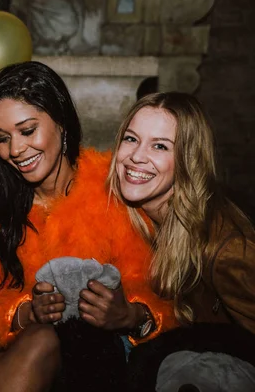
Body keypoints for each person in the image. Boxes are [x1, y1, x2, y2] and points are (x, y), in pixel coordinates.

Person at [0, 61, 177, 392]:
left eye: (28, 130)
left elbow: (161, 304)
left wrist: (128, 316)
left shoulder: (112, 190)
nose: (15, 150)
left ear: (60, 123)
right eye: (2, 138)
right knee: (42, 338)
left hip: (98, 358)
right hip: (7, 353)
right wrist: (27, 312)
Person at [107, 92, 255, 391]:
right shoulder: (121, 214)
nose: (136, 156)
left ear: (188, 160)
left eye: (160, 146)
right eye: (131, 139)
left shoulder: (226, 249)